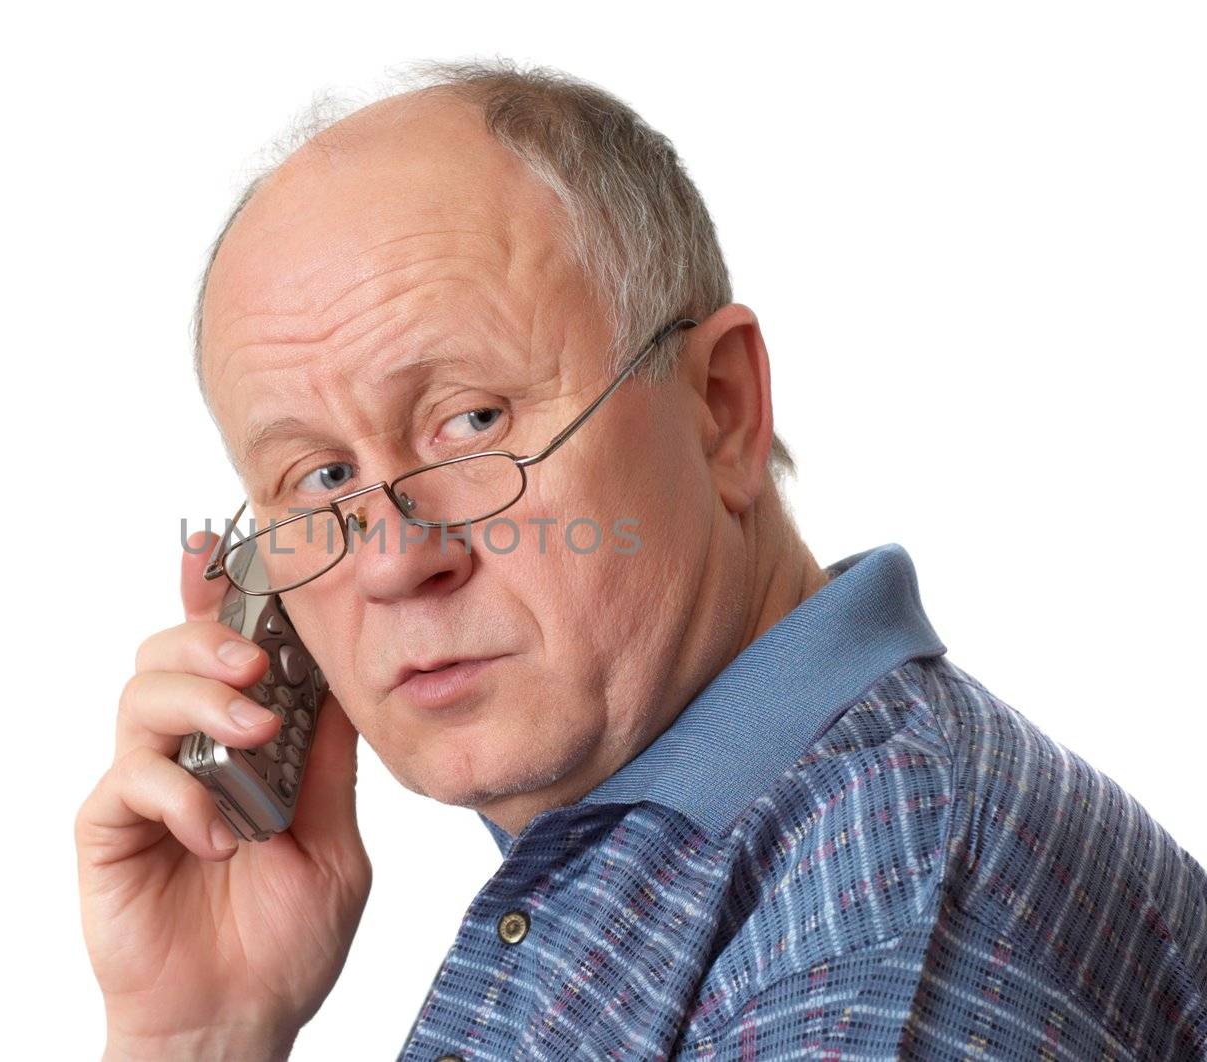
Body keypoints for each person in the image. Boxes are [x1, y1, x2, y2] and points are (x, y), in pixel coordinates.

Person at [74, 61, 1207, 1060]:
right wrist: (199, 1037)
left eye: (471, 421)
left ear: (719, 408)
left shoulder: (874, 961)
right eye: (318, 481)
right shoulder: (677, 838)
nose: (392, 562)